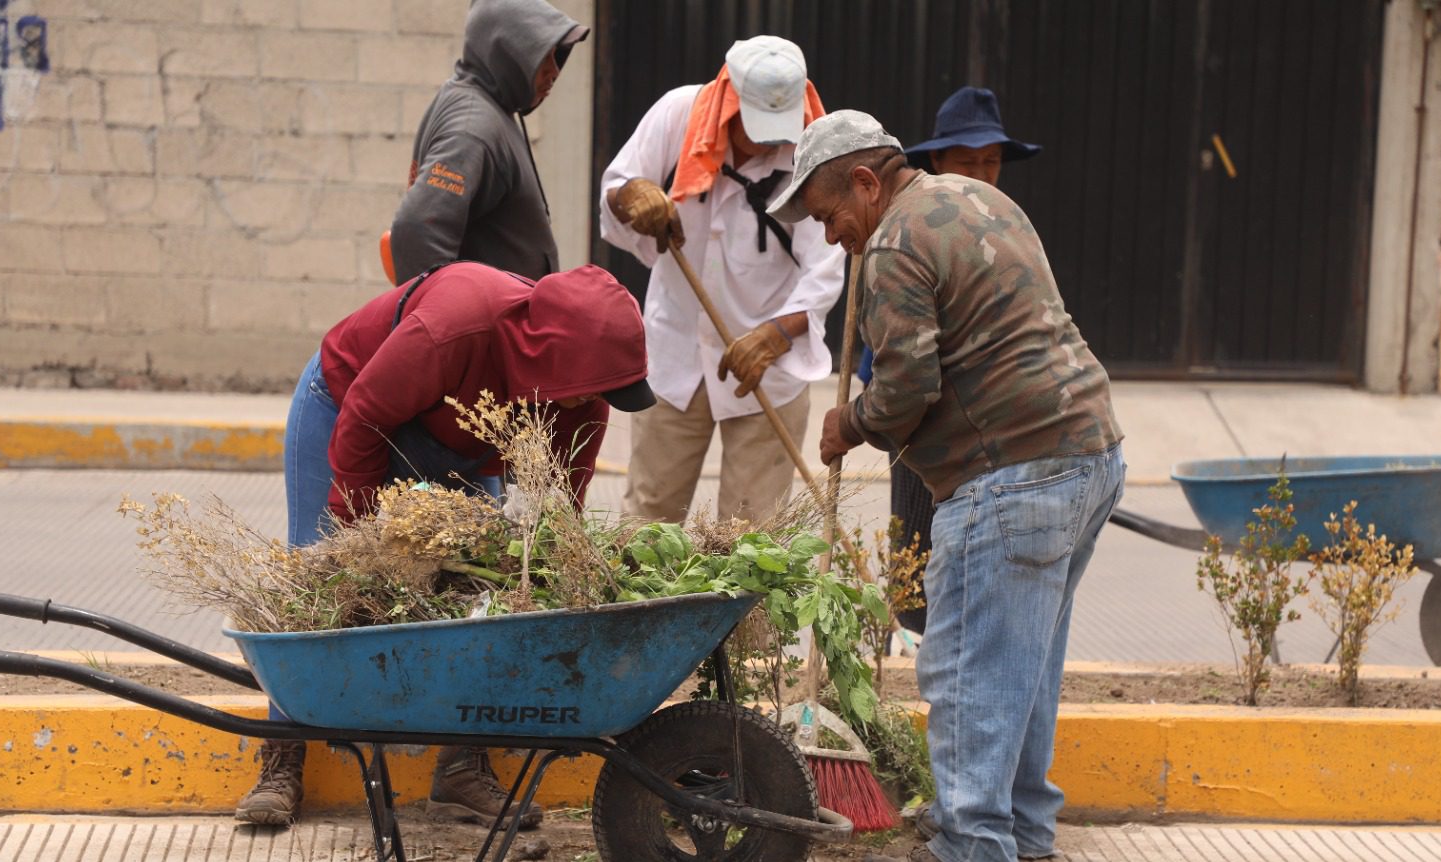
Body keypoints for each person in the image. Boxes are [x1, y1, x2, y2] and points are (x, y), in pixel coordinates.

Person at [769, 111, 1125, 862]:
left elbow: (904, 391)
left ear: (868, 181)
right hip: (1089, 452)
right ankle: (1019, 819)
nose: (832, 237)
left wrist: (849, 423)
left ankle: (972, 841)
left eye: (831, 215)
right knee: (1022, 659)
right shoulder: (977, 197)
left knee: (966, 662)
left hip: (1011, 473)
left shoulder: (894, 243)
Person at [235, 263, 655, 828]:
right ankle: (282, 755)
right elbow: (364, 418)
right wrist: (357, 546)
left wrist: (542, 568)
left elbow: (556, 515)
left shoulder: (583, 393)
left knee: (482, 596)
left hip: (457, 444)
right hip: (348, 404)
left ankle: (461, 769)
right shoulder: (454, 328)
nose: (595, 404)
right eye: (593, 391)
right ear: (549, 357)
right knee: (317, 584)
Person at [598, 35, 846, 523]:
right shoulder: (679, 113)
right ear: (730, 100)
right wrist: (635, 197)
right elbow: (617, 185)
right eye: (755, 126)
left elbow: (825, 266)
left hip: (768, 363)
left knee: (752, 534)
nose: (767, 140)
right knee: (648, 519)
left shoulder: (813, 144)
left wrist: (776, 335)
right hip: (678, 353)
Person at [864, 87, 1042, 635]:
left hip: (988, 433)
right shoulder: (908, 229)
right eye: (969, 162)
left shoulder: (1006, 222)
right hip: (922, 424)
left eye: (992, 162)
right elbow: (895, 364)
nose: (983, 174)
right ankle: (910, 641)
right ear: (938, 161)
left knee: (974, 586)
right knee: (916, 562)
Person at [385, 0, 589, 284]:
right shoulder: (473, 128)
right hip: (484, 327)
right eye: (544, 56)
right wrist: (449, 324)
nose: (555, 71)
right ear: (509, 54)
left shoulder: (484, 105)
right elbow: (417, 230)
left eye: (558, 56)